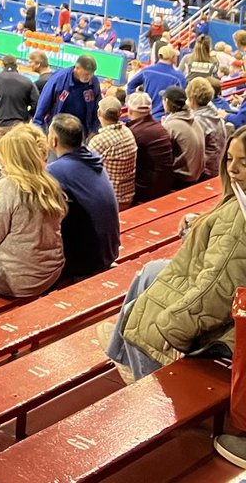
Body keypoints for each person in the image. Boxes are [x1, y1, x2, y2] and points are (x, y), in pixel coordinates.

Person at [103, 128, 246, 387]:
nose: (233, 169)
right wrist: (200, 225)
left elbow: (216, 290)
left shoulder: (239, 217)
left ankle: (151, 391)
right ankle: (120, 355)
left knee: (139, 316)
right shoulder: (237, 200)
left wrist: (171, 326)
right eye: (229, 159)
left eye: (243, 162)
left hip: (228, 325)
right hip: (221, 294)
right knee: (151, 271)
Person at [0, 123, 66, 297]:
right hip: (49, 270)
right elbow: (23, 216)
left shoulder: (9, 186)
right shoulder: (48, 181)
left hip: (20, 280)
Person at [47, 114, 121, 278]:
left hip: (87, 262)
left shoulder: (56, 171)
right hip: (110, 249)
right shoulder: (93, 159)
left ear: (54, 140)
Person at [88, 97, 137, 209]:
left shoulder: (99, 141)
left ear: (99, 113)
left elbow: (84, 170)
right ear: (120, 114)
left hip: (110, 200)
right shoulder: (128, 132)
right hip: (128, 196)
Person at [126, 90, 175, 202]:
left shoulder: (134, 133)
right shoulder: (160, 128)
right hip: (165, 184)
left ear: (129, 111)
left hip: (147, 190)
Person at [33, 55, 101, 135]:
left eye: (91, 74)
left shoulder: (94, 82)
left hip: (82, 131)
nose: (89, 77)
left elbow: (97, 109)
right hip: (58, 130)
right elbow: (42, 106)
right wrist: (40, 131)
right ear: (77, 68)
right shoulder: (59, 79)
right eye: (86, 74)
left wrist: (94, 130)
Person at [0, 55, 39, 139]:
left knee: (0, 150)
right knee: (16, 151)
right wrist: (28, 116)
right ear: (17, 66)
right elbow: (37, 103)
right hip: (19, 125)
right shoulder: (27, 81)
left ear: (2, 65)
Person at [161, 85, 205, 188]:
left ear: (167, 101)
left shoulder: (172, 125)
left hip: (183, 179)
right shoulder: (193, 119)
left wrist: (165, 126)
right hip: (197, 174)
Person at [128, 45, 186, 121]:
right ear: (173, 57)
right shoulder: (179, 77)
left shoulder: (147, 71)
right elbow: (182, 100)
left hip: (145, 117)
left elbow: (130, 85)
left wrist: (134, 102)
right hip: (164, 120)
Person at [187, 76, 228, 182]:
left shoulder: (197, 121)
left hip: (205, 173)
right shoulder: (215, 114)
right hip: (218, 166)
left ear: (192, 100)